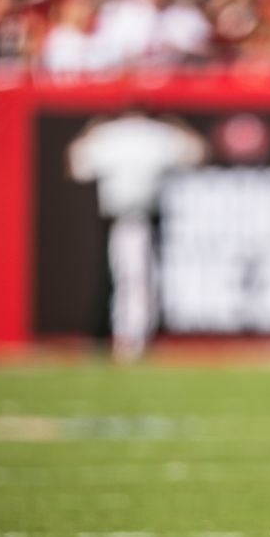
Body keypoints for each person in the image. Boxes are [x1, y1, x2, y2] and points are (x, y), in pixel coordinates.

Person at [68, 109, 207, 362]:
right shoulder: (158, 134)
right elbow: (196, 153)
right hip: (134, 217)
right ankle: (131, 339)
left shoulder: (106, 134)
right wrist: (180, 126)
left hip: (124, 216)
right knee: (135, 279)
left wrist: (86, 133)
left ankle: (125, 339)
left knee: (126, 278)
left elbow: (77, 167)